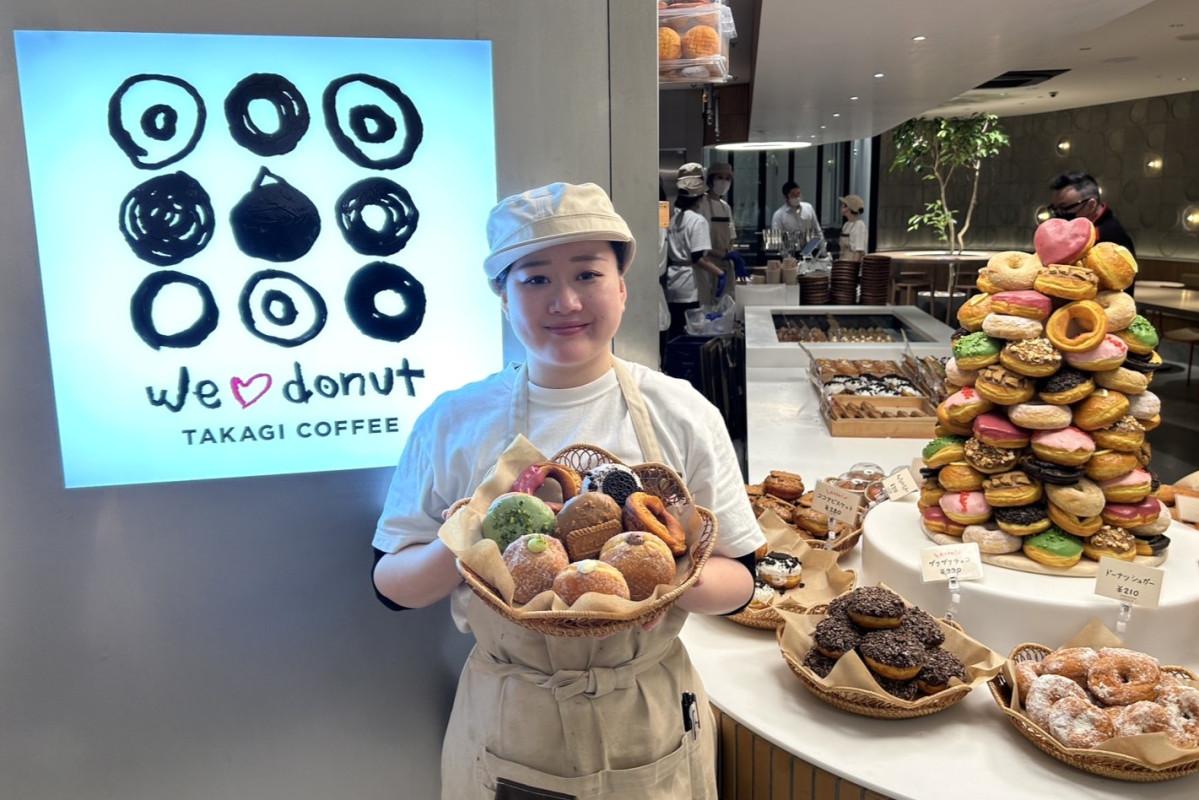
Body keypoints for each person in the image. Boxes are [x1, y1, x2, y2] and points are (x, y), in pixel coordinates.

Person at [371, 182, 764, 799]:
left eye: (587, 273)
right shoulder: (455, 420)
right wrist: (467, 541)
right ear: (502, 297)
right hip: (511, 721)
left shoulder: (680, 411)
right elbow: (390, 585)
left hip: (647, 711)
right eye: (534, 280)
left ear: (622, 287)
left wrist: (672, 581)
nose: (566, 300)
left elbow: (742, 578)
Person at [665, 164, 725, 342]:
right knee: (690, 333)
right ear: (700, 197)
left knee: (675, 332)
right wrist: (719, 273)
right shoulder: (698, 221)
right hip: (689, 285)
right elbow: (697, 257)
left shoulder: (674, 219)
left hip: (672, 282)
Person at [695, 162, 748, 303]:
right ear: (711, 180)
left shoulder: (726, 207)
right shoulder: (701, 204)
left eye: (727, 178)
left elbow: (731, 238)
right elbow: (700, 245)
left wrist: (733, 255)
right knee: (708, 306)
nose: (724, 182)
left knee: (726, 306)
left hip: (725, 266)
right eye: (720, 177)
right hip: (707, 266)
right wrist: (724, 254)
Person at [770, 180, 824, 255]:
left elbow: (817, 230)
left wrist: (823, 250)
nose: (797, 197)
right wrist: (787, 257)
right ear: (786, 197)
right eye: (793, 194)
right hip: (791, 252)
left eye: (798, 193)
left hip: (810, 251)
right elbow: (777, 240)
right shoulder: (779, 215)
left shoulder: (808, 208)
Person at [838, 193, 868, 263]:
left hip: (851, 265)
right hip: (843, 262)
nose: (841, 207)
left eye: (843, 205)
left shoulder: (859, 225)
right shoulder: (846, 225)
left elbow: (858, 251)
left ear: (848, 208)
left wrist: (853, 269)